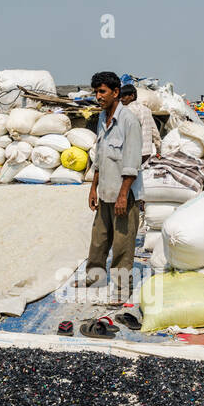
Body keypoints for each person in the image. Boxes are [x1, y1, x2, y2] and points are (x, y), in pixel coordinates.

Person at [85, 71, 142, 302]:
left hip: (123, 195)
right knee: (99, 240)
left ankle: (121, 289)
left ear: (116, 92)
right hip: (105, 191)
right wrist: (92, 187)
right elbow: (100, 156)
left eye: (102, 92)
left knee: (122, 245)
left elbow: (131, 163)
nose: (98, 96)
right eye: (96, 92)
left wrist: (122, 195)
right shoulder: (102, 118)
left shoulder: (129, 121)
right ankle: (94, 277)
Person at [119, 84, 161, 165]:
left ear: (132, 96)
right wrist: (159, 150)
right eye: (120, 96)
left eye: (124, 96)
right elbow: (155, 132)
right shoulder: (147, 110)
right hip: (146, 153)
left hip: (133, 153)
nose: (121, 99)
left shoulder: (126, 111)